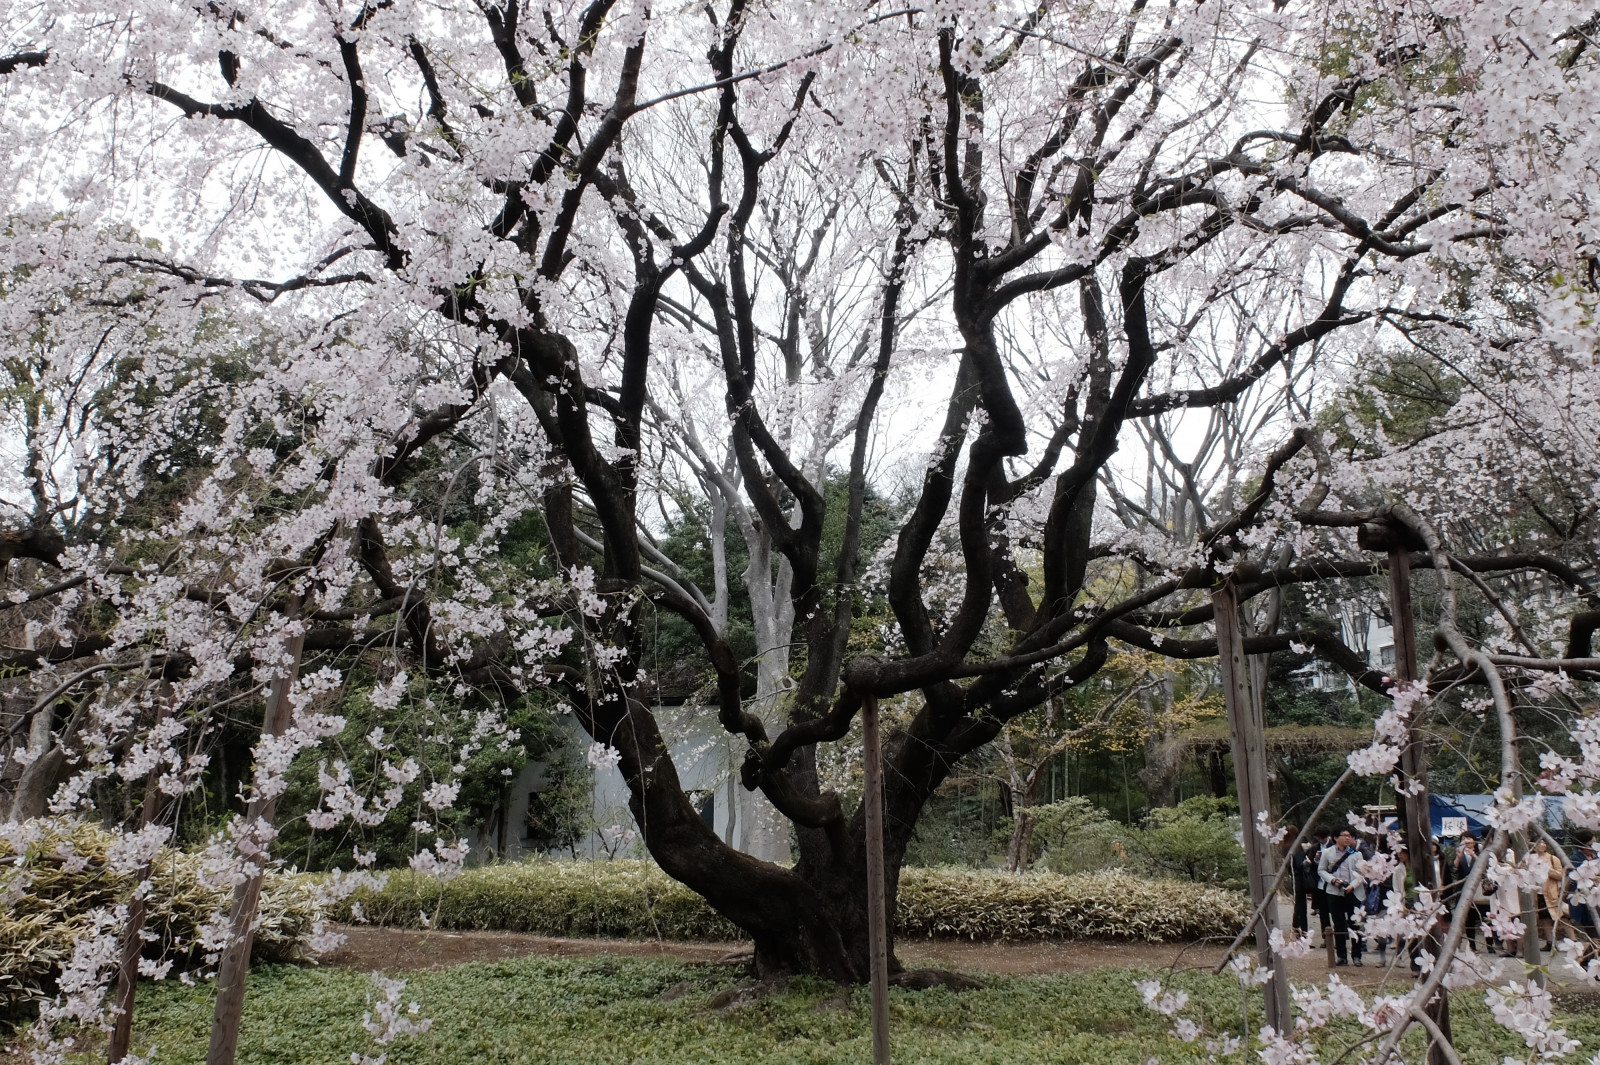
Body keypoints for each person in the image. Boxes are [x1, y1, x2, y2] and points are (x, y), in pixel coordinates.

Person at [1319, 828, 1365, 966]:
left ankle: (1357, 956)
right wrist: (1332, 880)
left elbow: (1361, 873)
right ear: (1335, 837)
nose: (1347, 838)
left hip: (1353, 892)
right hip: (1334, 892)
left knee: (1355, 924)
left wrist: (1352, 885)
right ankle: (1341, 956)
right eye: (1344, 835)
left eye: (1349, 836)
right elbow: (1321, 870)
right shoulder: (1328, 853)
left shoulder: (1356, 854)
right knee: (1338, 924)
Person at [1451, 834, 1485, 951]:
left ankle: (1490, 944)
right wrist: (1459, 857)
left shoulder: (1481, 853)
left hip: (1478, 889)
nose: (1466, 841)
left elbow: (1484, 866)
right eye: (1464, 839)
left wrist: (1474, 855)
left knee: (1484, 917)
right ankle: (1472, 945)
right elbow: (1454, 869)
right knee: (1468, 918)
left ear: (1474, 841)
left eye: (1469, 838)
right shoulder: (1460, 854)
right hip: (1463, 888)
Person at [1532, 838, 1565, 951]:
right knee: (1544, 919)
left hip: (1552, 892)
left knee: (1559, 917)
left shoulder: (1552, 858)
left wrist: (1547, 869)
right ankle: (1550, 942)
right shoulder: (1531, 859)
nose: (1541, 845)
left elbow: (1560, 875)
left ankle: (1571, 940)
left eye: (1543, 843)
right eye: (1539, 843)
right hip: (1538, 892)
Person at [1292, 831, 1320, 940]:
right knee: (1301, 908)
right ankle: (1302, 934)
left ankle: (1298, 929)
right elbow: (1300, 865)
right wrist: (1309, 862)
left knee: (1299, 907)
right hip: (1301, 881)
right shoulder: (1296, 849)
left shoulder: (1288, 847)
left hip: (1297, 880)